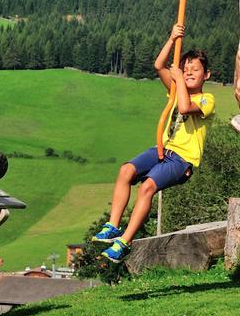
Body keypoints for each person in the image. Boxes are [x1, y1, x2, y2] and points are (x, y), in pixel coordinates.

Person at [92, 24, 215, 263]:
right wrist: (171, 39)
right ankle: (112, 225)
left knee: (147, 187)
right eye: (185, 68)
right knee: (126, 170)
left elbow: (184, 107)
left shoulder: (207, 100)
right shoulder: (176, 88)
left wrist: (178, 80)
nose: (188, 72)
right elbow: (159, 65)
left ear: (206, 75)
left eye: (195, 70)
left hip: (182, 159)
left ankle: (124, 242)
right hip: (162, 149)